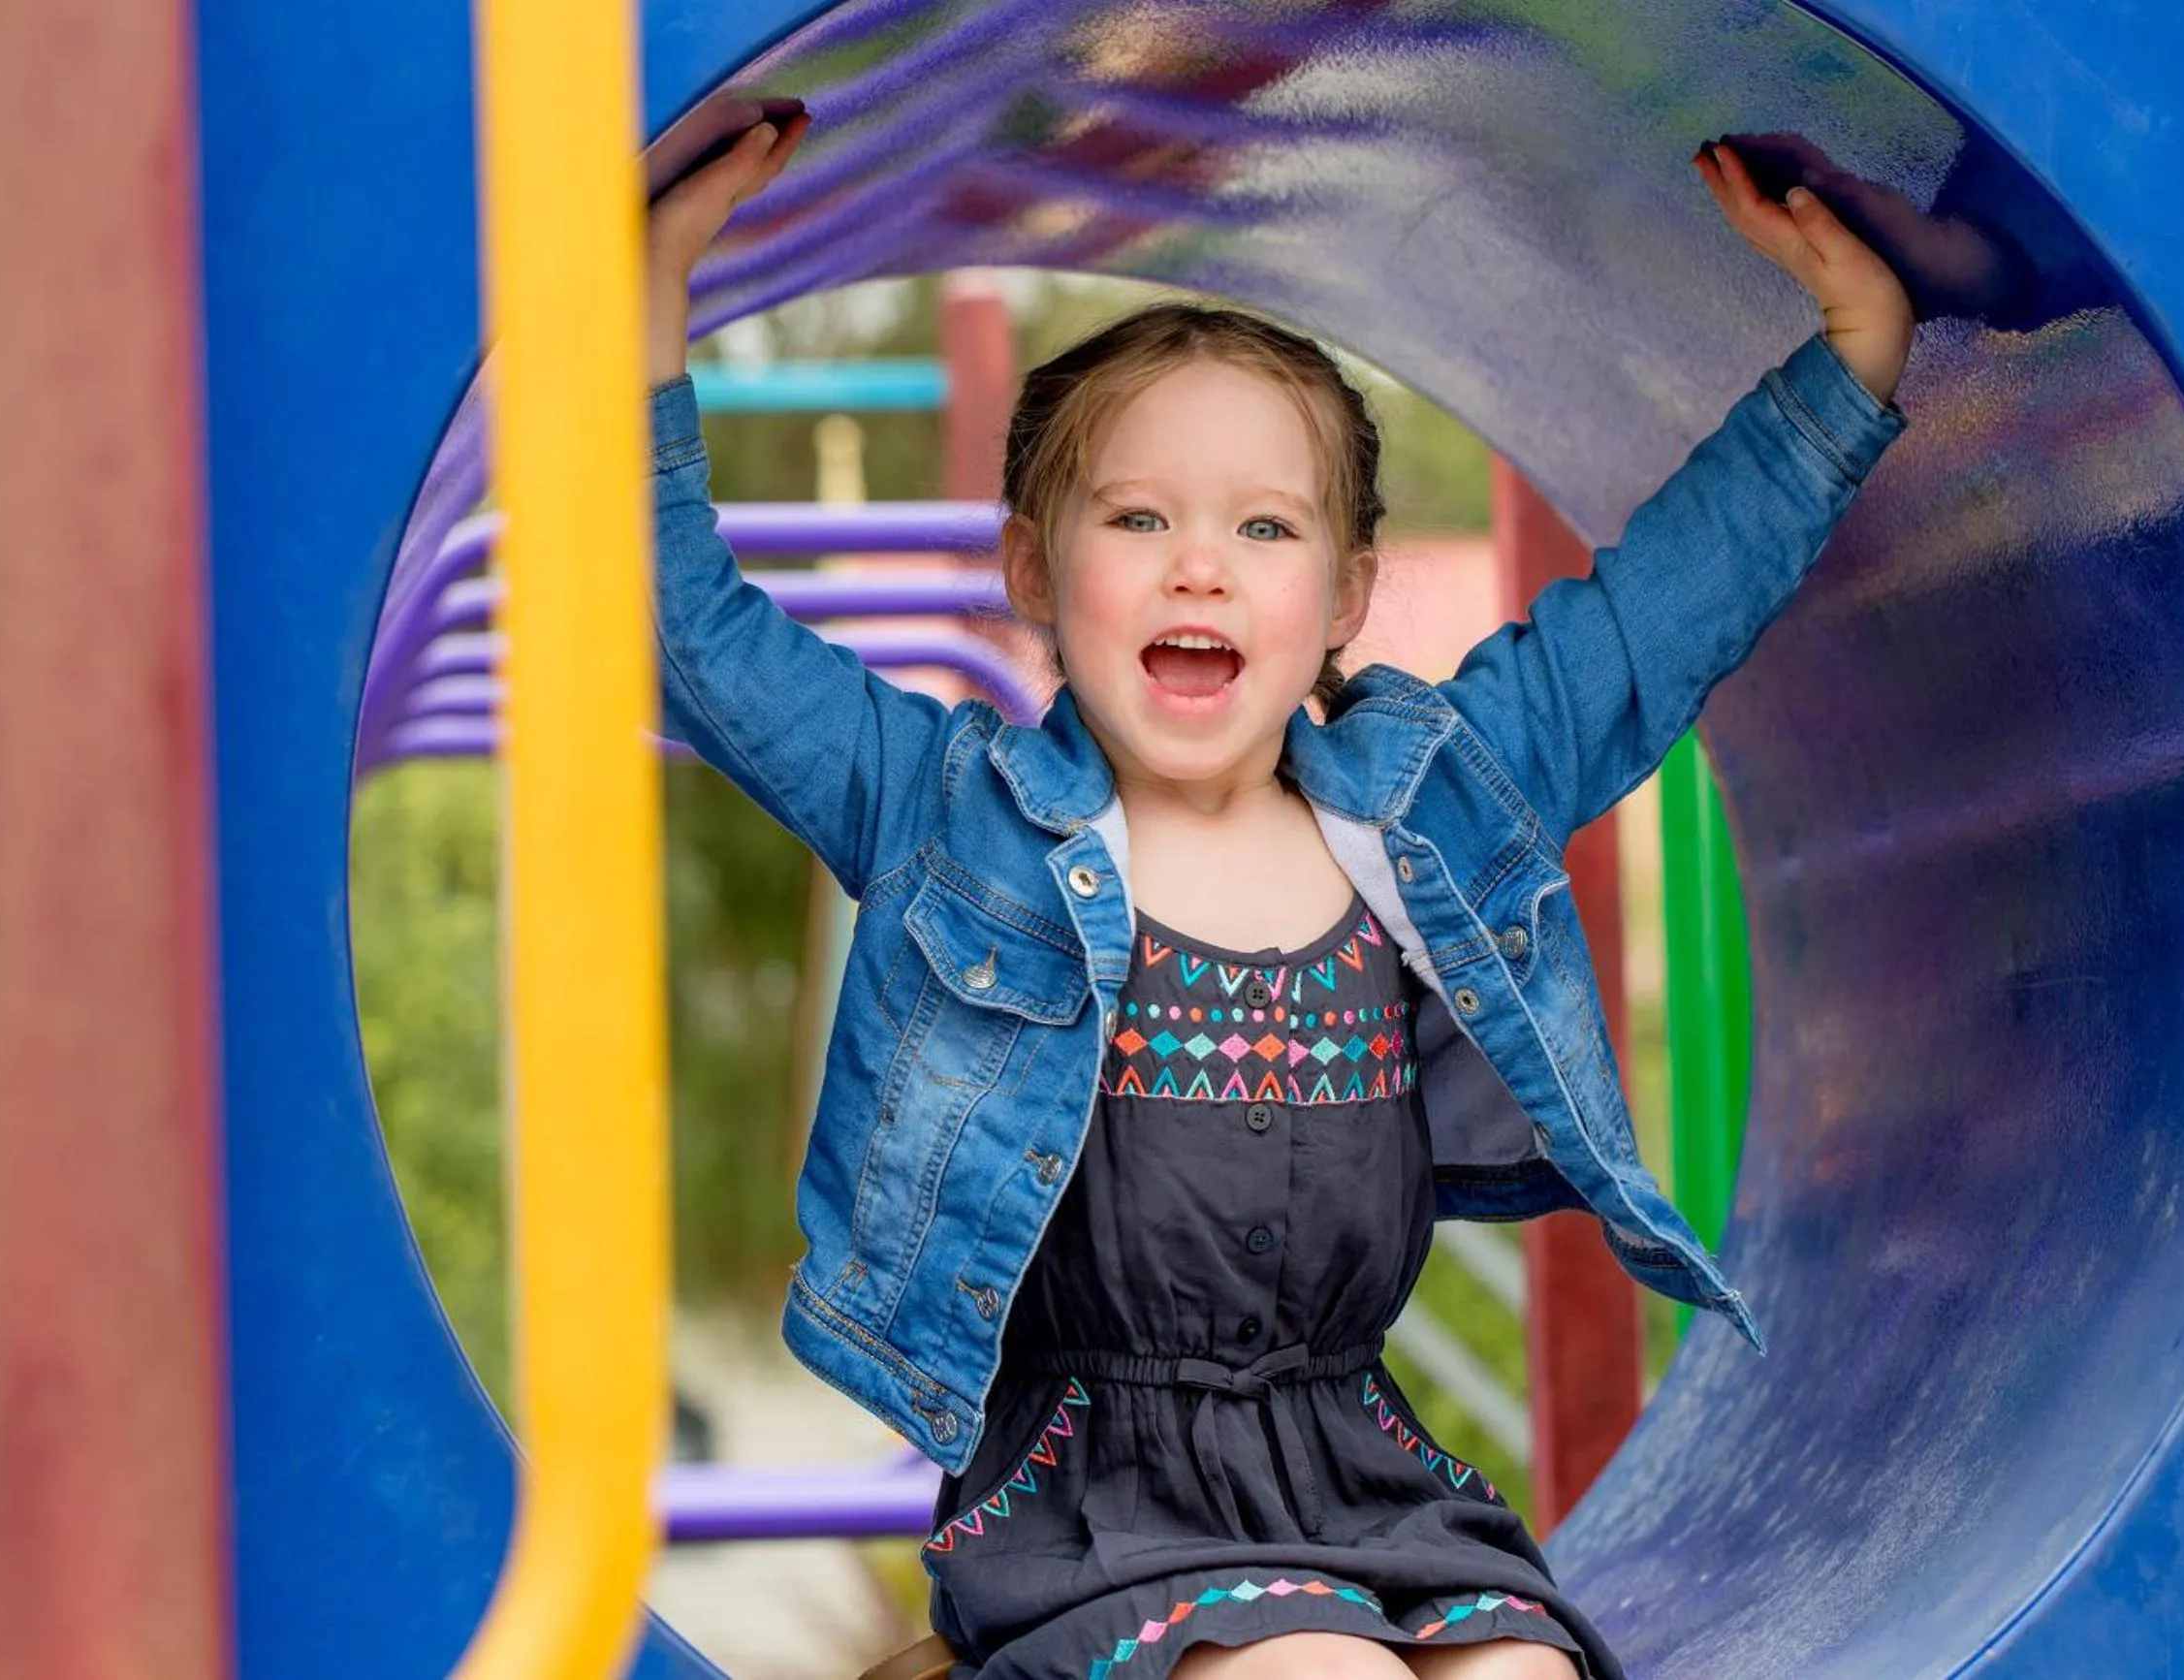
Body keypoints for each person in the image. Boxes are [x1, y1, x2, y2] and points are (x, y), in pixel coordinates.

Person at [643, 115, 1913, 1680]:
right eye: (1137, 518)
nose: (1201, 569)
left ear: (1344, 596)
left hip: (1358, 1473)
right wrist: (641, 307)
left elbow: (1650, 628)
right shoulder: (945, 812)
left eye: (1264, 526)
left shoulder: (1433, 801)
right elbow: (690, 631)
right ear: (1033, 573)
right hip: (1096, 1497)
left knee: (1524, 1674)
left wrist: (1852, 359)